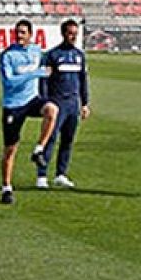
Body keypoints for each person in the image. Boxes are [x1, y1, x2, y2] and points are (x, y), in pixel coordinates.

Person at [0, 20, 59, 205]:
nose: (19, 35)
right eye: (17, 32)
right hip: (13, 105)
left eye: (23, 32)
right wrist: (35, 74)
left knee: (52, 109)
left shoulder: (37, 51)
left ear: (30, 34)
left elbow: (50, 65)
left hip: (32, 100)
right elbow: (9, 82)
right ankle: (6, 187)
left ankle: (39, 149)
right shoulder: (8, 55)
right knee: (10, 149)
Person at [36, 18, 90, 189]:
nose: (73, 37)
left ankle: (61, 173)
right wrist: (45, 101)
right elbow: (43, 81)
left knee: (68, 140)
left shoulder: (79, 56)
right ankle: (42, 175)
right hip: (57, 103)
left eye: (75, 34)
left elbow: (83, 81)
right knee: (50, 138)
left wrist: (85, 103)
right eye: (70, 33)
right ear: (63, 33)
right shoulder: (52, 55)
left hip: (73, 104)